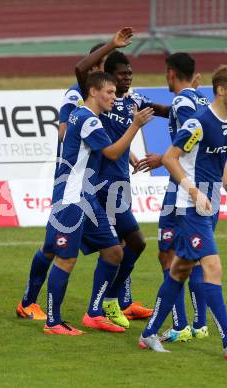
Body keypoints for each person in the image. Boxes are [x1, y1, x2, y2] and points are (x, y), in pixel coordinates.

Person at [139, 65, 227, 359]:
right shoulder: (198, 123)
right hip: (190, 207)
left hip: (211, 204)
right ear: (221, 90)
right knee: (212, 266)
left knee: (179, 270)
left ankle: (148, 333)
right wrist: (194, 191)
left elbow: (221, 159)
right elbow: (170, 158)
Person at [15, 31, 133, 321]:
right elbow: (65, 130)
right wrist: (91, 138)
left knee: (109, 247)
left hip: (91, 187)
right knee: (58, 251)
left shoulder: (106, 101)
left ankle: (101, 307)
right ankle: (39, 307)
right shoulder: (78, 95)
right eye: (102, 65)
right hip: (74, 185)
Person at [43, 71, 153, 335]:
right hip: (71, 199)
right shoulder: (87, 120)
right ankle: (53, 321)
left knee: (114, 251)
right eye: (109, 93)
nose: (114, 98)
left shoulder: (88, 118)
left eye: (115, 93)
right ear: (93, 92)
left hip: (86, 198)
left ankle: (93, 313)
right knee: (65, 259)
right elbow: (113, 153)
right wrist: (135, 125)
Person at [75, 30, 169, 328]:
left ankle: (113, 302)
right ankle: (100, 308)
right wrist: (111, 45)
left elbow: (165, 111)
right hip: (99, 184)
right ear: (107, 77)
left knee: (136, 244)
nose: (127, 77)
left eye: (130, 72)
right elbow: (80, 70)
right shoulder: (101, 100)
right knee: (118, 246)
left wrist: (196, 106)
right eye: (121, 73)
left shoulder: (134, 100)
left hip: (120, 185)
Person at [135, 53, 211, 343]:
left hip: (182, 185)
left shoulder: (183, 102)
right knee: (198, 253)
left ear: (170, 74)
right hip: (206, 182)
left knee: (169, 253)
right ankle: (200, 324)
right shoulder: (200, 100)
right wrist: (152, 107)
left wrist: (165, 158)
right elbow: (185, 117)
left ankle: (179, 326)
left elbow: (190, 136)